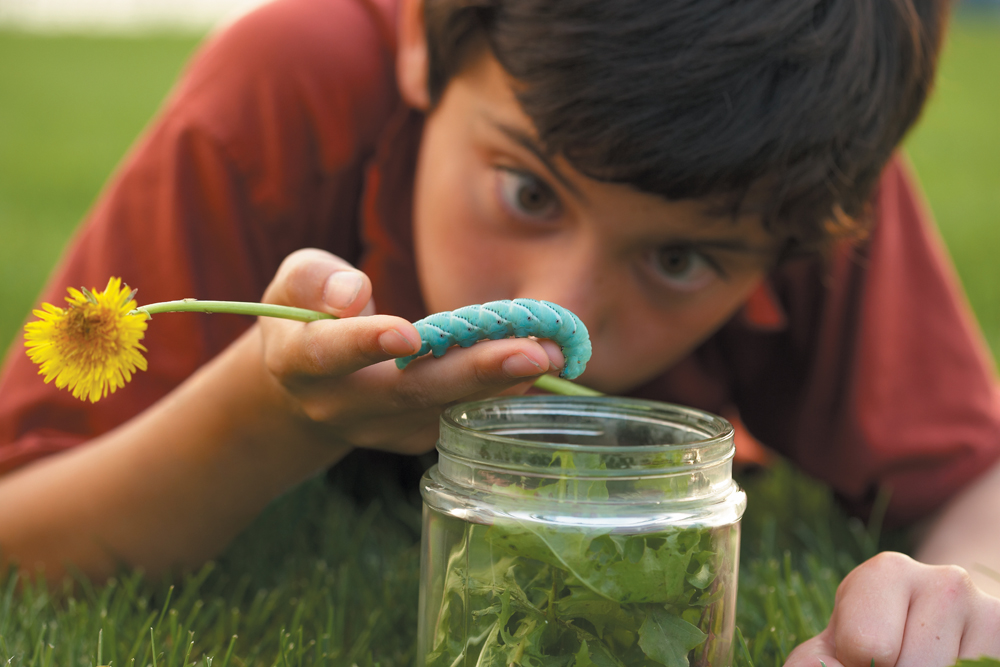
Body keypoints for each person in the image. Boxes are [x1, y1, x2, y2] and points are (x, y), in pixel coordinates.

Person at [0, 0, 999, 662]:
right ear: (421, 42)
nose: (566, 311)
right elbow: (21, 528)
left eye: (679, 260)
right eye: (527, 191)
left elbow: (974, 476)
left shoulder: (795, 163)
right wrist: (274, 416)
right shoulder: (288, 79)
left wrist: (961, 587)